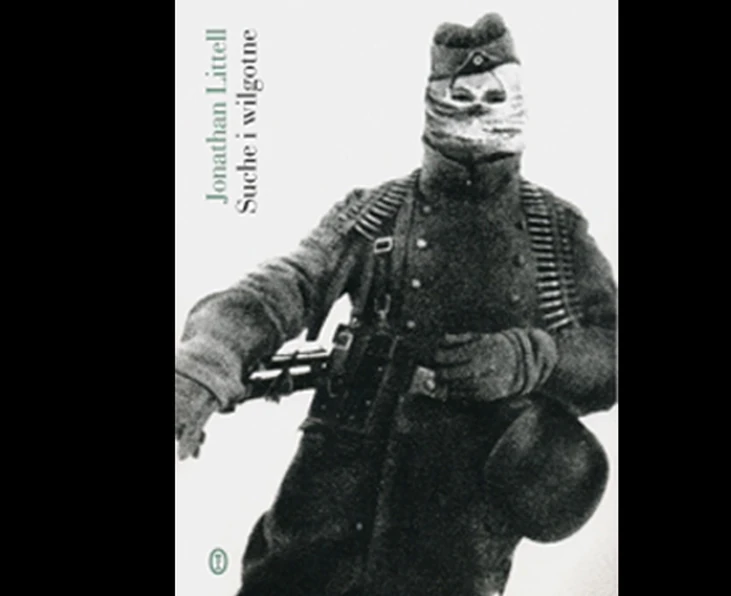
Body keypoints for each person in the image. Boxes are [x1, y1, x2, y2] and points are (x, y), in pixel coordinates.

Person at [175, 13, 616, 596]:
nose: (478, 111)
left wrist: (529, 357)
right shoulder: (379, 211)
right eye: (461, 96)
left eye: (494, 96)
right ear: (433, 100)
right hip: (332, 485)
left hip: (460, 517)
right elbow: (284, 286)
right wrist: (204, 363)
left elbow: (610, 353)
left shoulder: (554, 229)